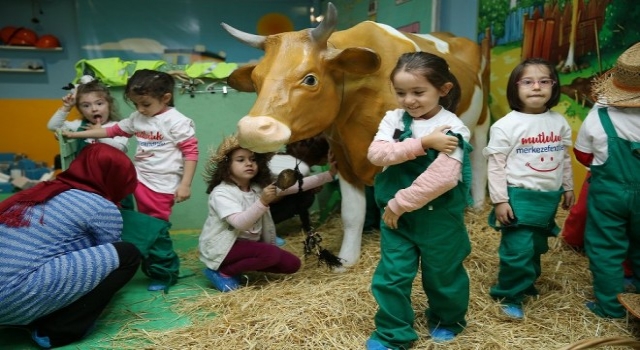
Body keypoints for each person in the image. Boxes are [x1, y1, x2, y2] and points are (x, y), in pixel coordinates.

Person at [365, 51, 473, 349]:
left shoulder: (453, 128)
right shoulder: (394, 119)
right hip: (395, 219)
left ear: (444, 89)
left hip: (438, 219)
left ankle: (446, 319)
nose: (408, 100)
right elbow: (376, 154)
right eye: (400, 93)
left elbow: (443, 178)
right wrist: (423, 143)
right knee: (391, 277)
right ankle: (393, 333)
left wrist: (398, 204)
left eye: (418, 92)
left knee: (442, 276)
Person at [62, 69, 199, 291]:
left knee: (156, 231)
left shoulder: (176, 121)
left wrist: (185, 184)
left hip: (162, 185)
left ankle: (166, 273)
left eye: (145, 104)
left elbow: (191, 153)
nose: (140, 110)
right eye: (136, 104)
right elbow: (112, 131)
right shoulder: (138, 117)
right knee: (140, 224)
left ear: (165, 98)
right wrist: (75, 135)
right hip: (138, 179)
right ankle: (148, 264)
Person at [0, 143, 141, 349]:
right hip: (9, 298)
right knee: (126, 254)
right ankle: (57, 330)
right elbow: (108, 257)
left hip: (7, 288)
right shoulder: (101, 207)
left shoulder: (46, 191)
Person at [483, 58, 574, 320]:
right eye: (528, 81)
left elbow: (563, 157)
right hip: (519, 198)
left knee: (536, 247)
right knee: (518, 249)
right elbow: (496, 166)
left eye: (544, 81)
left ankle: (527, 283)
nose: (537, 87)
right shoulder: (505, 126)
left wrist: (568, 187)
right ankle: (509, 294)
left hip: (548, 198)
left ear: (554, 87)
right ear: (515, 87)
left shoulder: (559, 122)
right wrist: (500, 200)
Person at [198, 135, 337, 293]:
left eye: (252, 159)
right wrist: (263, 202)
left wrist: (329, 175)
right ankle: (222, 272)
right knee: (270, 254)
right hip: (223, 246)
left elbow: (298, 186)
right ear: (226, 165)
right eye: (240, 160)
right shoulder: (222, 192)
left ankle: (238, 266)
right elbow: (240, 223)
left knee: (292, 265)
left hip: (248, 246)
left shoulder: (257, 187)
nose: (249, 163)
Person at [573, 42, 640, 318]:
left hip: (608, 194)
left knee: (605, 248)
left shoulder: (597, 115)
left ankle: (610, 306)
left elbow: (582, 155)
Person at [47, 76, 128, 153]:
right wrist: (67, 106)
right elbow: (53, 126)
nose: (94, 109)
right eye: (86, 105)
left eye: (99, 104)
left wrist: (99, 133)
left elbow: (120, 150)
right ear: (80, 110)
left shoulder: (118, 127)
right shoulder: (80, 126)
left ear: (109, 104)